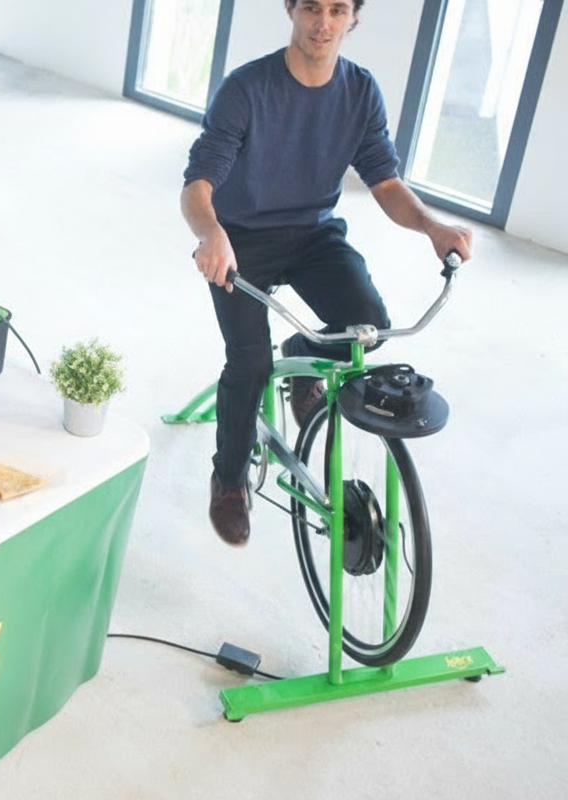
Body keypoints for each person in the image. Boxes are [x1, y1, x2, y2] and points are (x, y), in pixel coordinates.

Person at [180, 0, 472, 547]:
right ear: (290, 9)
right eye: (312, 7)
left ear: (353, 18)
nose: (323, 23)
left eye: (338, 10)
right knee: (250, 362)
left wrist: (431, 226)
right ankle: (229, 478)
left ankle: (302, 354)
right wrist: (210, 233)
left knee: (369, 326)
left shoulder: (360, 91)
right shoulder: (247, 88)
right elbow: (198, 185)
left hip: (313, 235)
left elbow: (385, 182)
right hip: (239, 239)